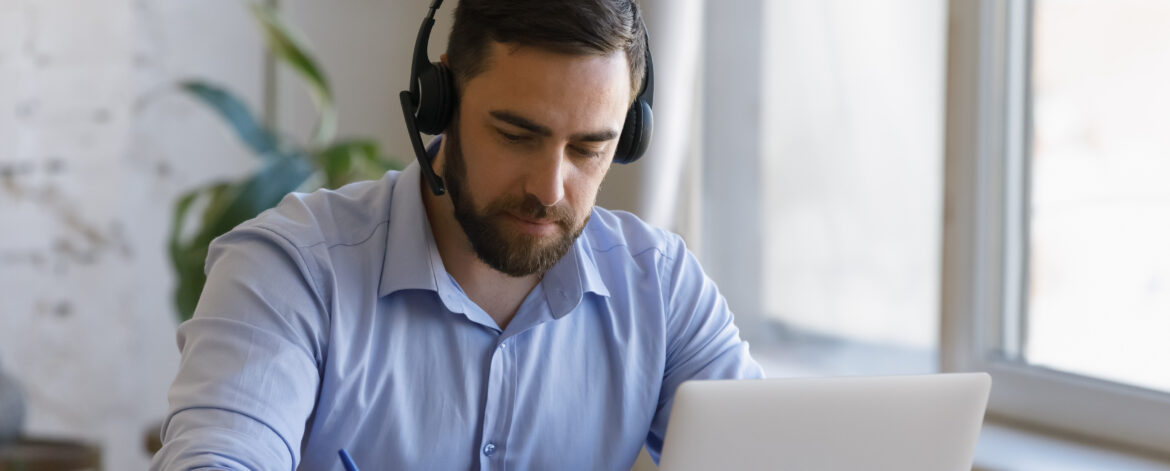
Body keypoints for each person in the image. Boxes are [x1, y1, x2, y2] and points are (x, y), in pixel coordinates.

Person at [151, 0, 762, 469]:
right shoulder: (291, 271)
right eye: (516, 135)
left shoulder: (660, 285)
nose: (550, 189)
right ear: (439, 98)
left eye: (588, 149)